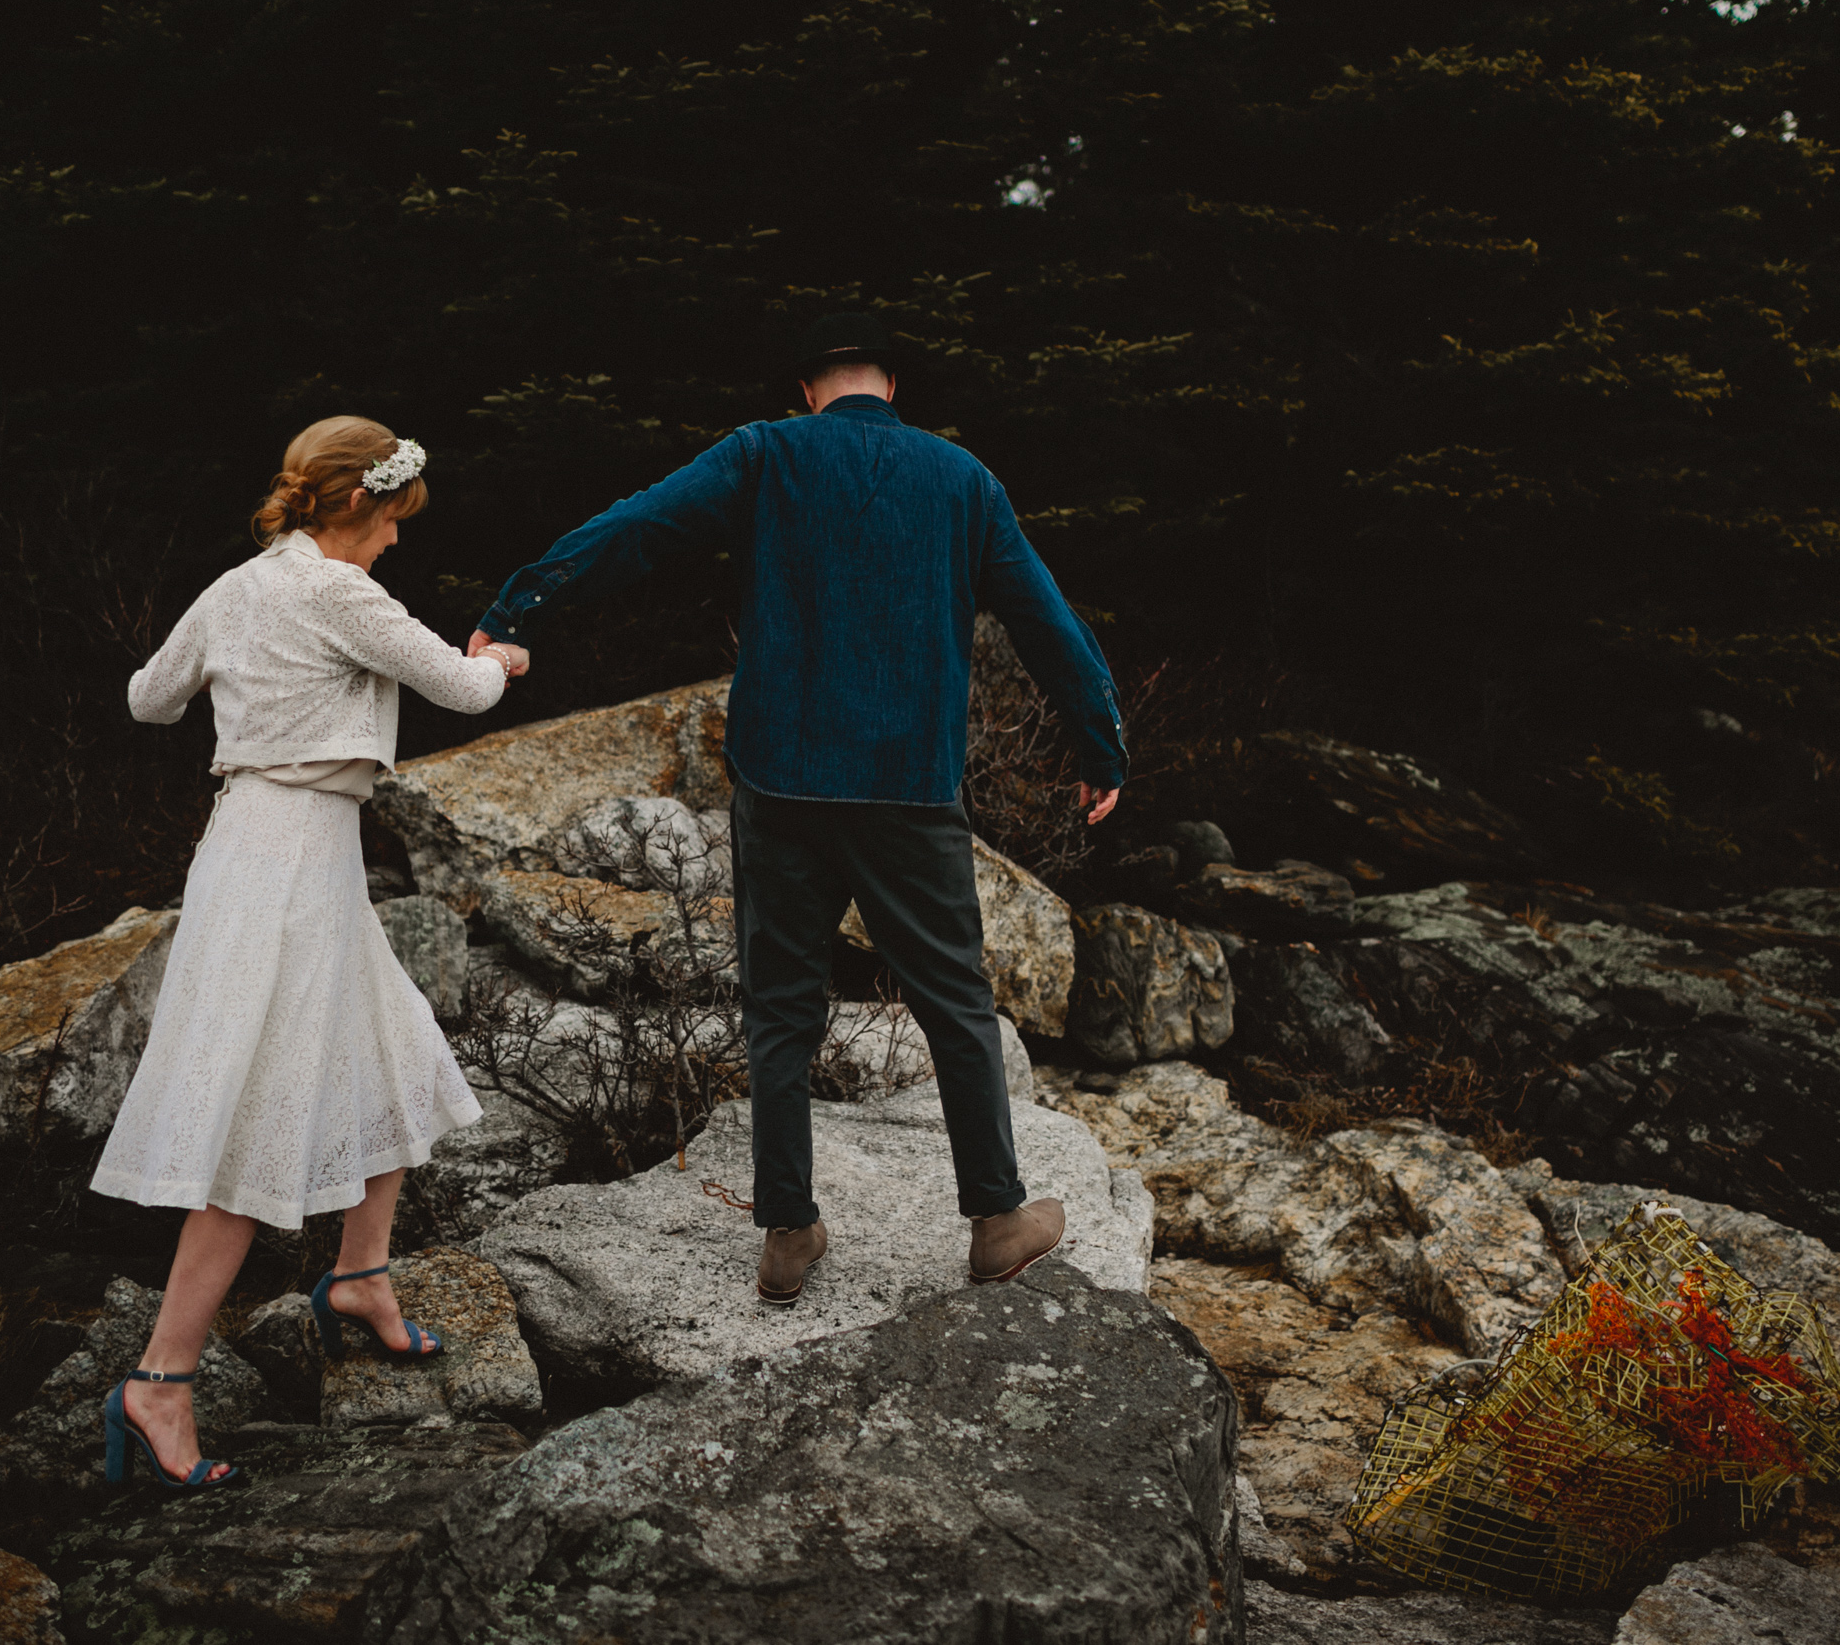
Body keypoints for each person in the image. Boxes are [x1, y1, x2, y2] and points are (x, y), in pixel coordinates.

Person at [467, 313, 1126, 1305]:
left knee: (779, 1011)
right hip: (908, 787)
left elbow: (636, 526)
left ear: (807, 386)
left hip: (779, 781)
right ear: (891, 383)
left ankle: (786, 1230)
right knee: (955, 1002)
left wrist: (519, 608)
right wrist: (1098, 737)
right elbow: (1044, 614)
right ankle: (995, 1219)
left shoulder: (763, 453)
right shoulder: (961, 481)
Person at [92, 416, 527, 1489]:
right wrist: (501, 658)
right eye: (392, 523)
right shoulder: (339, 592)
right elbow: (464, 690)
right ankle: (160, 1380)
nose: (395, 544)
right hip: (285, 865)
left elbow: (148, 698)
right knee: (256, 1120)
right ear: (360, 508)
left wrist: (249, 694)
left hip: (263, 845)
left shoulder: (238, 586)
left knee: (396, 1052)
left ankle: (359, 1277)